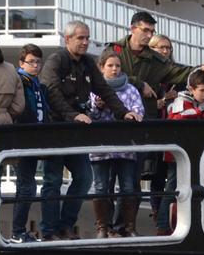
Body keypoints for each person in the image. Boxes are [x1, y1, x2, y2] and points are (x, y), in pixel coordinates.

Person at [37, 21, 140, 240]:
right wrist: (72, 114)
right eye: (80, 38)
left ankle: (65, 227)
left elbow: (103, 89)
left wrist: (123, 113)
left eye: (87, 38)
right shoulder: (56, 61)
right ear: (67, 40)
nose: (85, 42)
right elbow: (51, 92)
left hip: (76, 132)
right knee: (53, 180)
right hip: (55, 129)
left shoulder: (87, 63)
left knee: (84, 177)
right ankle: (48, 231)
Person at [86, 52, 147, 238]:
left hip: (126, 146)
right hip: (100, 147)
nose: (114, 69)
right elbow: (89, 115)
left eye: (117, 66)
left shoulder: (130, 90)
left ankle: (128, 228)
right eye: (110, 66)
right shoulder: (93, 90)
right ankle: (103, 228)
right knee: (101, 187)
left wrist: (119, 109)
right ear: (101, 68)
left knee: (128, 186)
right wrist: (98, 107)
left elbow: (139, 113)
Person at [99, 10, 204, 101]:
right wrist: (139, 83)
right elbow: (101, 78)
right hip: (115, 114)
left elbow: (179, 72)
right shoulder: (113, 50)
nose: (149, 35)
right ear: (133, 29)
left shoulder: (156, 60)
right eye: (145, 30)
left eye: (152, 31)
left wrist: (201, 69)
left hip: (145, 118)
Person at [7, 44, 48, 244]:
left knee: (26, 185)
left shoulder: (36, 83)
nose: (36, 65)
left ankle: (19, 231)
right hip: (22, 139)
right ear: (21, 62)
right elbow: (20, 110)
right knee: (27, 186)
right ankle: (18, 231)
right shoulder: (19, 81)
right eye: (31, 61)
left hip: (34, 139)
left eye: (39, 62)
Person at [142, 35, 181, 236]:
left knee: (172, 177)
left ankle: (168, 219)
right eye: (160, 47)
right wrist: (159, 101)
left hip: (172, 132)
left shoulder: (175, 72)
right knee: (156, 175)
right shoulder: (146, 71)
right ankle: (159, 217)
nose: (165, 51)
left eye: (168, 48)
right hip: (153, 130)